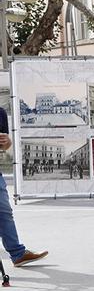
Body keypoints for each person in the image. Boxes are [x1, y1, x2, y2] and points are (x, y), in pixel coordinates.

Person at [0, 106, 48, 268]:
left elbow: (5, 146)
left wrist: (7, 143)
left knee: (4, 212)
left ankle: (18, 254)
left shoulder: (0, 113)